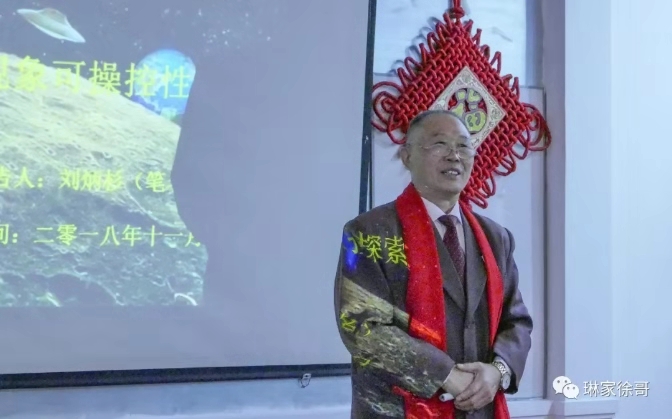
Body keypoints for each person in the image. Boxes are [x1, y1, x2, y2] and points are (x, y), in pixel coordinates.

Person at [334, 109, 533, 419]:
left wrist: (498, 371)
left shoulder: (496, 238)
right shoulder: (369, 232)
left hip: (480, 410)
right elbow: (362, 326)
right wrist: (444, 374)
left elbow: (516, 321)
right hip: (398, 410)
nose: (454, 155)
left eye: (463, 145)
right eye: (439, 144)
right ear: (407, 156)